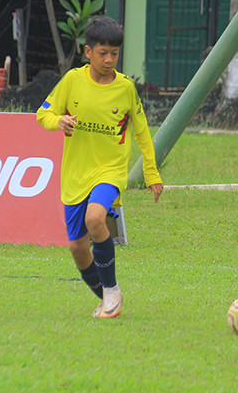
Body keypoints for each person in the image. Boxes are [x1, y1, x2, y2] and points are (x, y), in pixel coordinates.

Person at [36, 16, 163, 319]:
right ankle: (107, 295)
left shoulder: (126, 88)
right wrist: (59, 121)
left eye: (114, 54)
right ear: (87, 51)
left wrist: (152, 173)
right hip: (76, 174)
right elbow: (43, 113)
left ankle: (112, 291)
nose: (109, 60)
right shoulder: (72, 81)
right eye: (103, 53)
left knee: (96, 218)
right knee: (78, 249)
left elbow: (142, 132)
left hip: (110, 171)